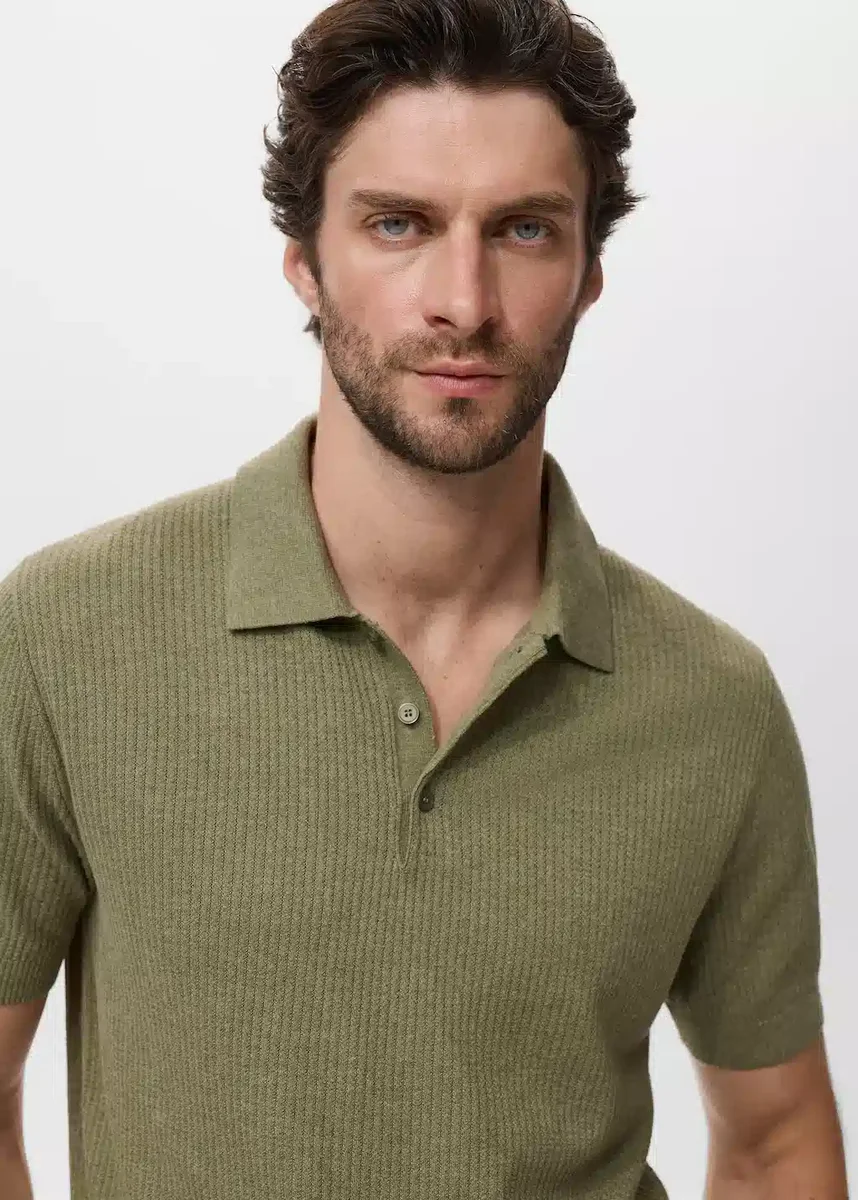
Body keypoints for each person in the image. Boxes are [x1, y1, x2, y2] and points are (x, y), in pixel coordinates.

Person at [0, 0, 847, 1196]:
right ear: (306, 260)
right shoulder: (66, 636)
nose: (464, 299)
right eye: (398, 223)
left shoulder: (715, 704)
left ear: (590, 274)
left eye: (525, 229)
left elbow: (774, 1143)